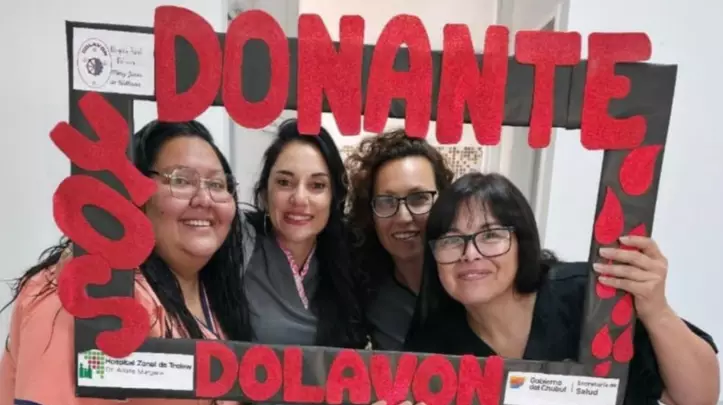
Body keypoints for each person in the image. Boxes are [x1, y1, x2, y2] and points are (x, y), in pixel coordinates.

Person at [405, 172, 719, 405]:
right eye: (451, 240)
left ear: (523, 243)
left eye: (491, 235)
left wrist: (656, 310)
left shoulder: (591, 296)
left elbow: (700, 398)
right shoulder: (432, 343)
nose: (470, 253)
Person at [0, 120, 250, 405]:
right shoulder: (82, 291)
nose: (204, 199)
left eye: (217, 184)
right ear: (133, 193)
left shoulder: (219, 298)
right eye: (181, 180)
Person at [241, 119, 367, 348]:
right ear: (265, 193)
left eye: (317, 185)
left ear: (334, 198)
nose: (299, 198)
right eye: (284, 182)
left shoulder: (350, 259)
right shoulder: (240, 243)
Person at [346, 129, 454, 350]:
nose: (403, 217)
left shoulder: (470, 279)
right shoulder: (370, 293)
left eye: (419, 198)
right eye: (386, 201)